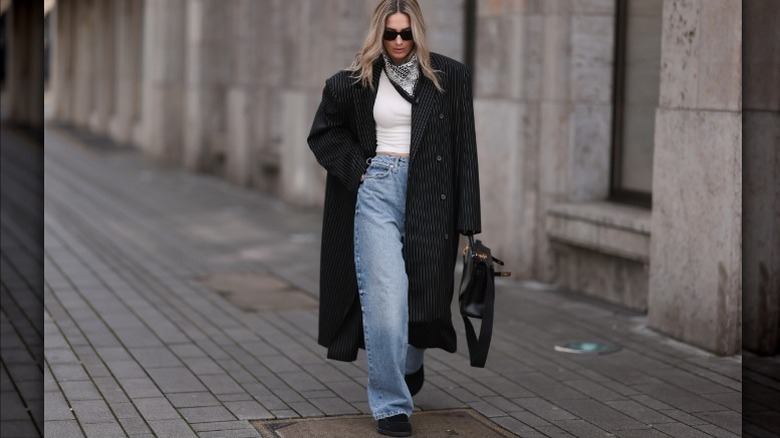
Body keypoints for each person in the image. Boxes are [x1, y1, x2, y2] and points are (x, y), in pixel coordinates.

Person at [307, 0, 481, 435]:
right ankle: (390, 405)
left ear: (417, 32)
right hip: (378, 188)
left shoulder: (450, 76)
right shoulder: (356, 79)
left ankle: (410, 361)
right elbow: (324, 132)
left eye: (406, 33)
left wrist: (469, 222)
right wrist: (358, 171)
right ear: (378, 34)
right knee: (385, 301)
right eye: (390, 34)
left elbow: (465, 148)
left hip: (432, 197)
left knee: (424, 298)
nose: (399, 41)